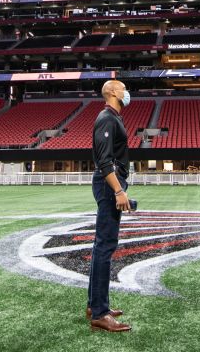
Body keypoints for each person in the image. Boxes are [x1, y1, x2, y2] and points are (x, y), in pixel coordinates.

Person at [87, 79, 133, 332]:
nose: (127, 93)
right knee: (105, 246)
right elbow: (105, 161)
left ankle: (95, 305)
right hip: (109, 184)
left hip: (111, 183)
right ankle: (100, 313)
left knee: (100, 245)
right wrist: (118, 190)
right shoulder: (106, 118)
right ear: (114, 92)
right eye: (124, 89)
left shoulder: (113, 117)